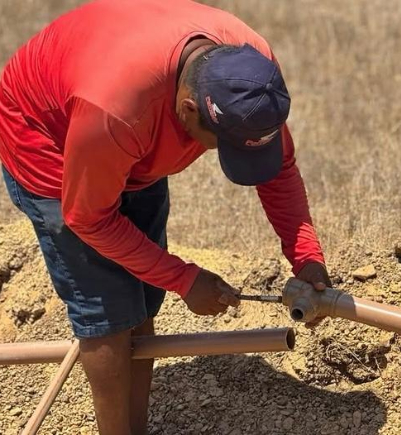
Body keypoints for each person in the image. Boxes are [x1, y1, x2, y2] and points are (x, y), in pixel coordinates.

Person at [0, 1, 330, 433]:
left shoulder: (251, 74)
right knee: (109, 314)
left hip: (125, 131)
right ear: (188, 110)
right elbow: (89, 218)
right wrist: (184, 278)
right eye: (220, 145)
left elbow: (279, 169)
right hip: (50, 139)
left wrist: (307, 256)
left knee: (141, 299)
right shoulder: (117, 109)